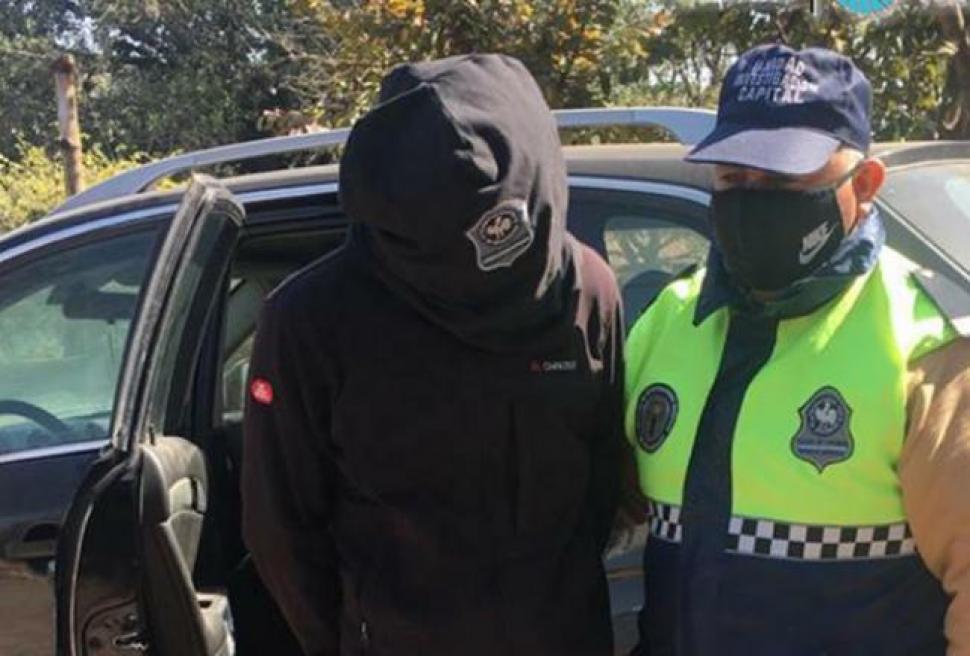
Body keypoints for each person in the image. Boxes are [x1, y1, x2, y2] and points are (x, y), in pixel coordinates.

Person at [242, 53, 625, 656]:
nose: (486, 250)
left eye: (501, 225)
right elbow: (282, 531)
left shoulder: (586, 289)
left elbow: (600, 487)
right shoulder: (312, 321)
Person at [625, 43, 970, 655]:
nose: (752, 199)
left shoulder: (923, 350)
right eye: (734, 179)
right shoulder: (668, 322)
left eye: (783, 180)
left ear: (865, 184)